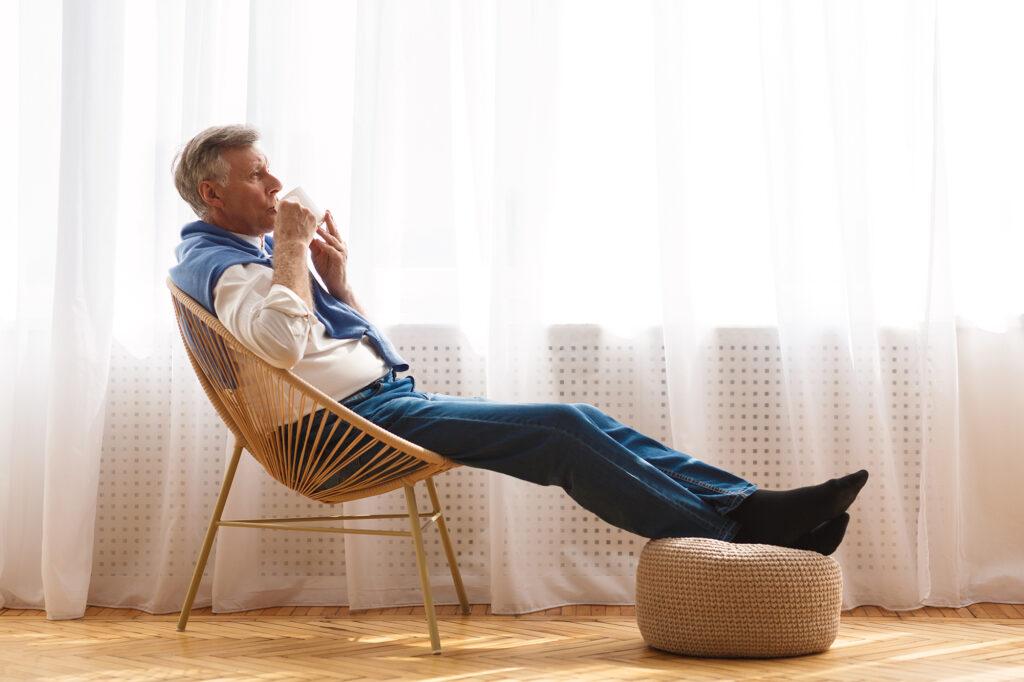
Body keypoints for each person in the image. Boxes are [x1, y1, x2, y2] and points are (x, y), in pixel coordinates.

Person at [170, 124, 867, 554]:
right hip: (341, 430)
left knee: (578, 421)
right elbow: (284, 350)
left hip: (372, 406)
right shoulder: (223, 265)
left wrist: (340, 284)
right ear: (213, 194)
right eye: (257, 173)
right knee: (562, 431)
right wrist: (291, 242)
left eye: (270, 168)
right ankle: (734, 537)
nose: (276, 182)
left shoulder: (249, 259)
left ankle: (750, 506)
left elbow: (320, 346)